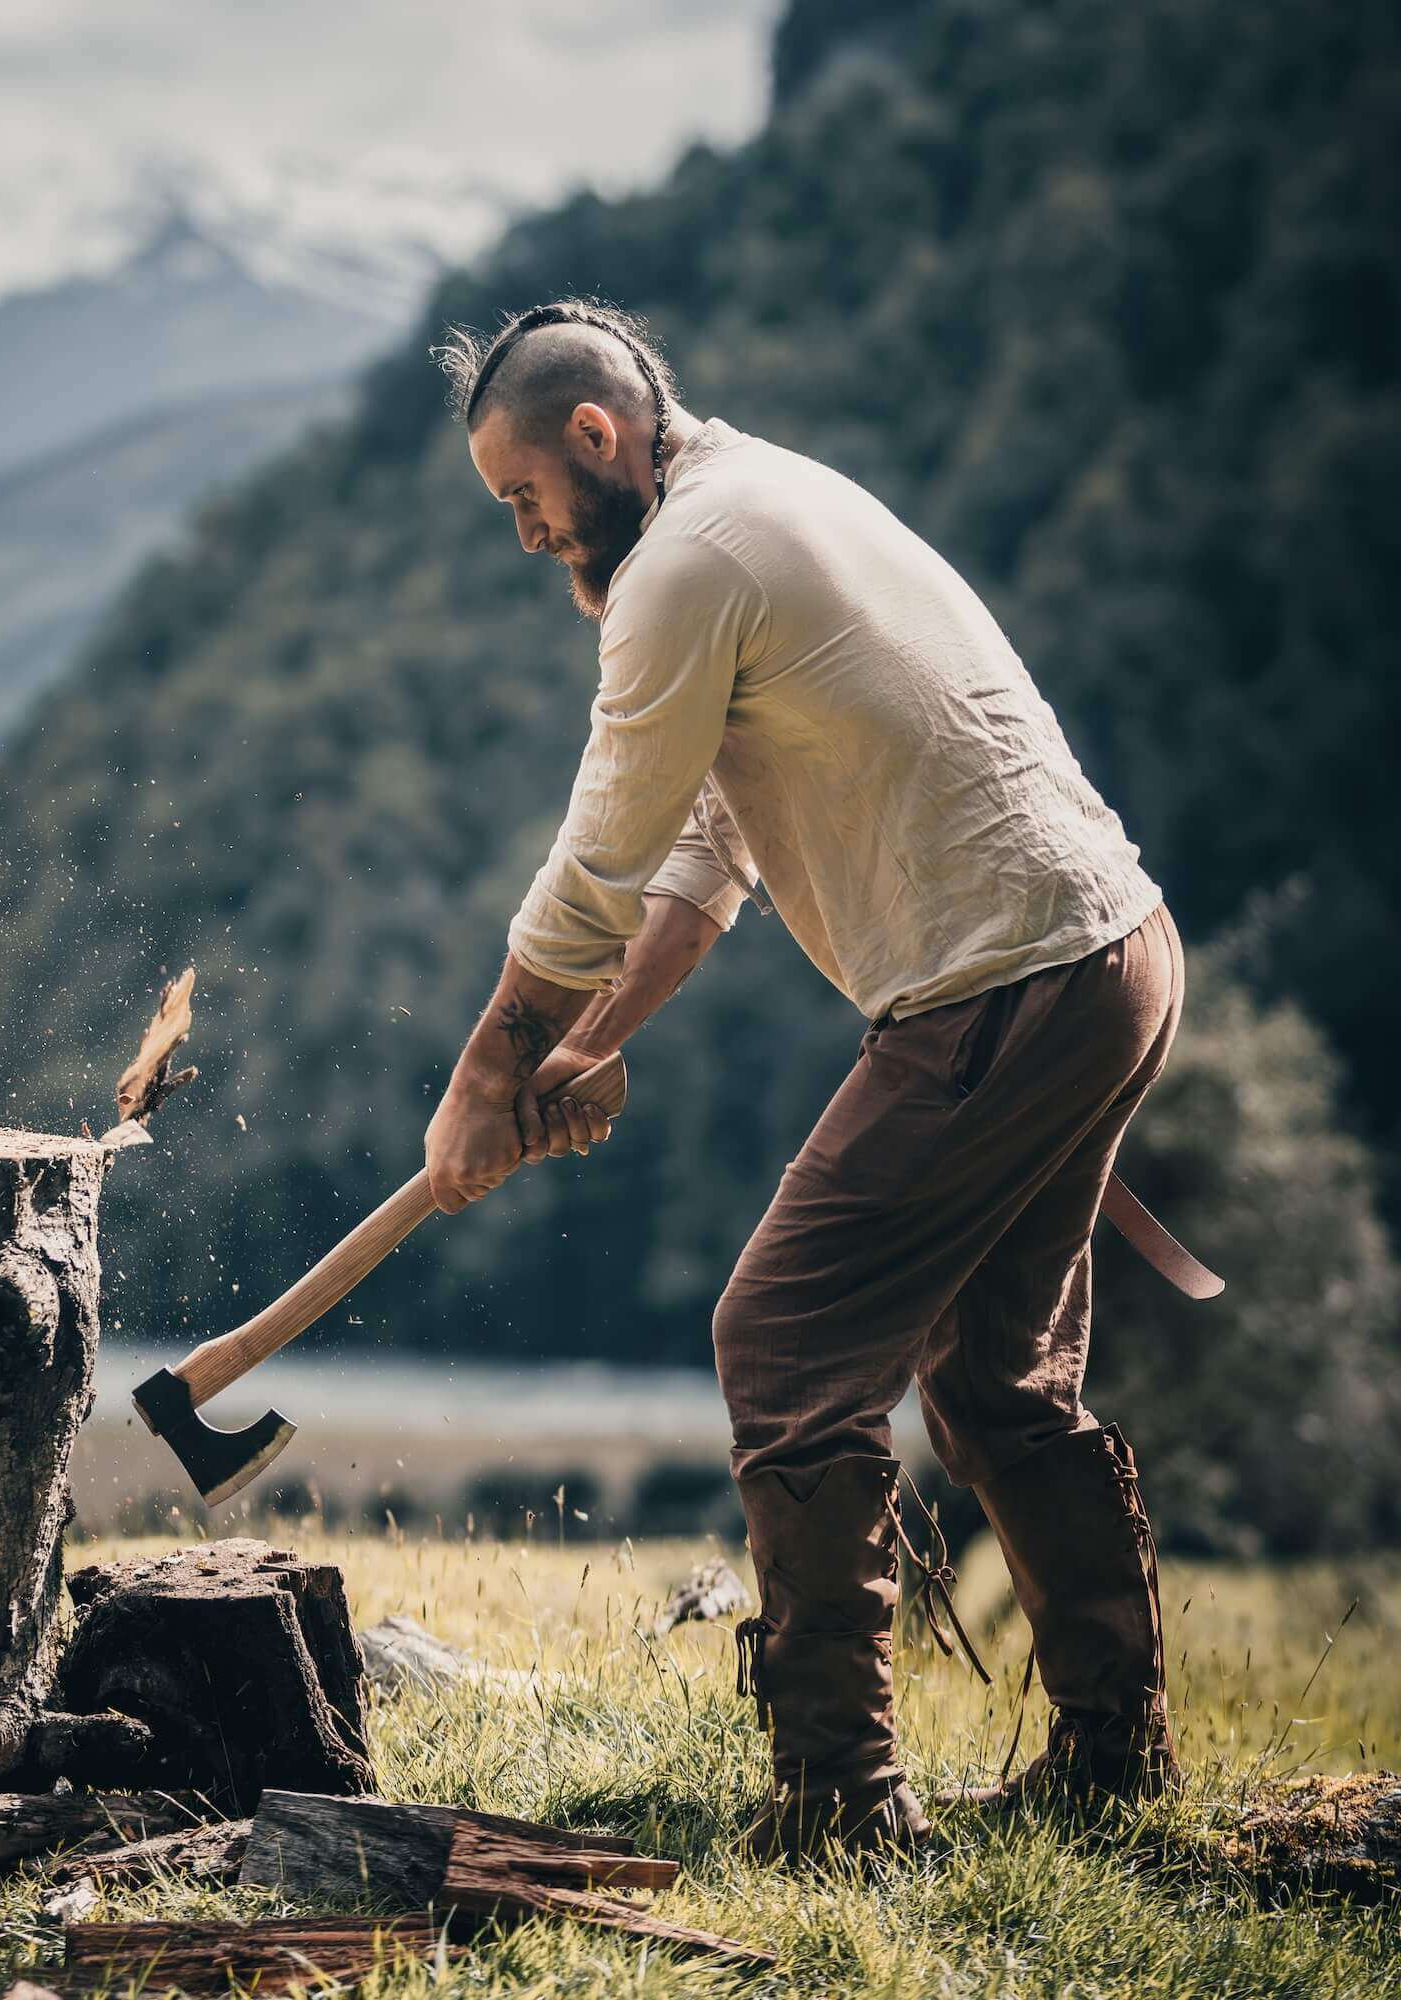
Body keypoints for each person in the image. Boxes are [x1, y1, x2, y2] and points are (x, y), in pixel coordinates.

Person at [422, 299, 1181, 1861]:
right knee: (994, 1383)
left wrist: (484, 1071)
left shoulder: (689, 565)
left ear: (594, 437)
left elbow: (596, 866)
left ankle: (844, 1805)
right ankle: (1119, 1770)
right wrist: (583, 1045)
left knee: (779, 1342)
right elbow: (702, 852)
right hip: (1104, 956)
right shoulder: (754, 502)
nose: (524, 537)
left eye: (526, 501)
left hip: (1007, 982)